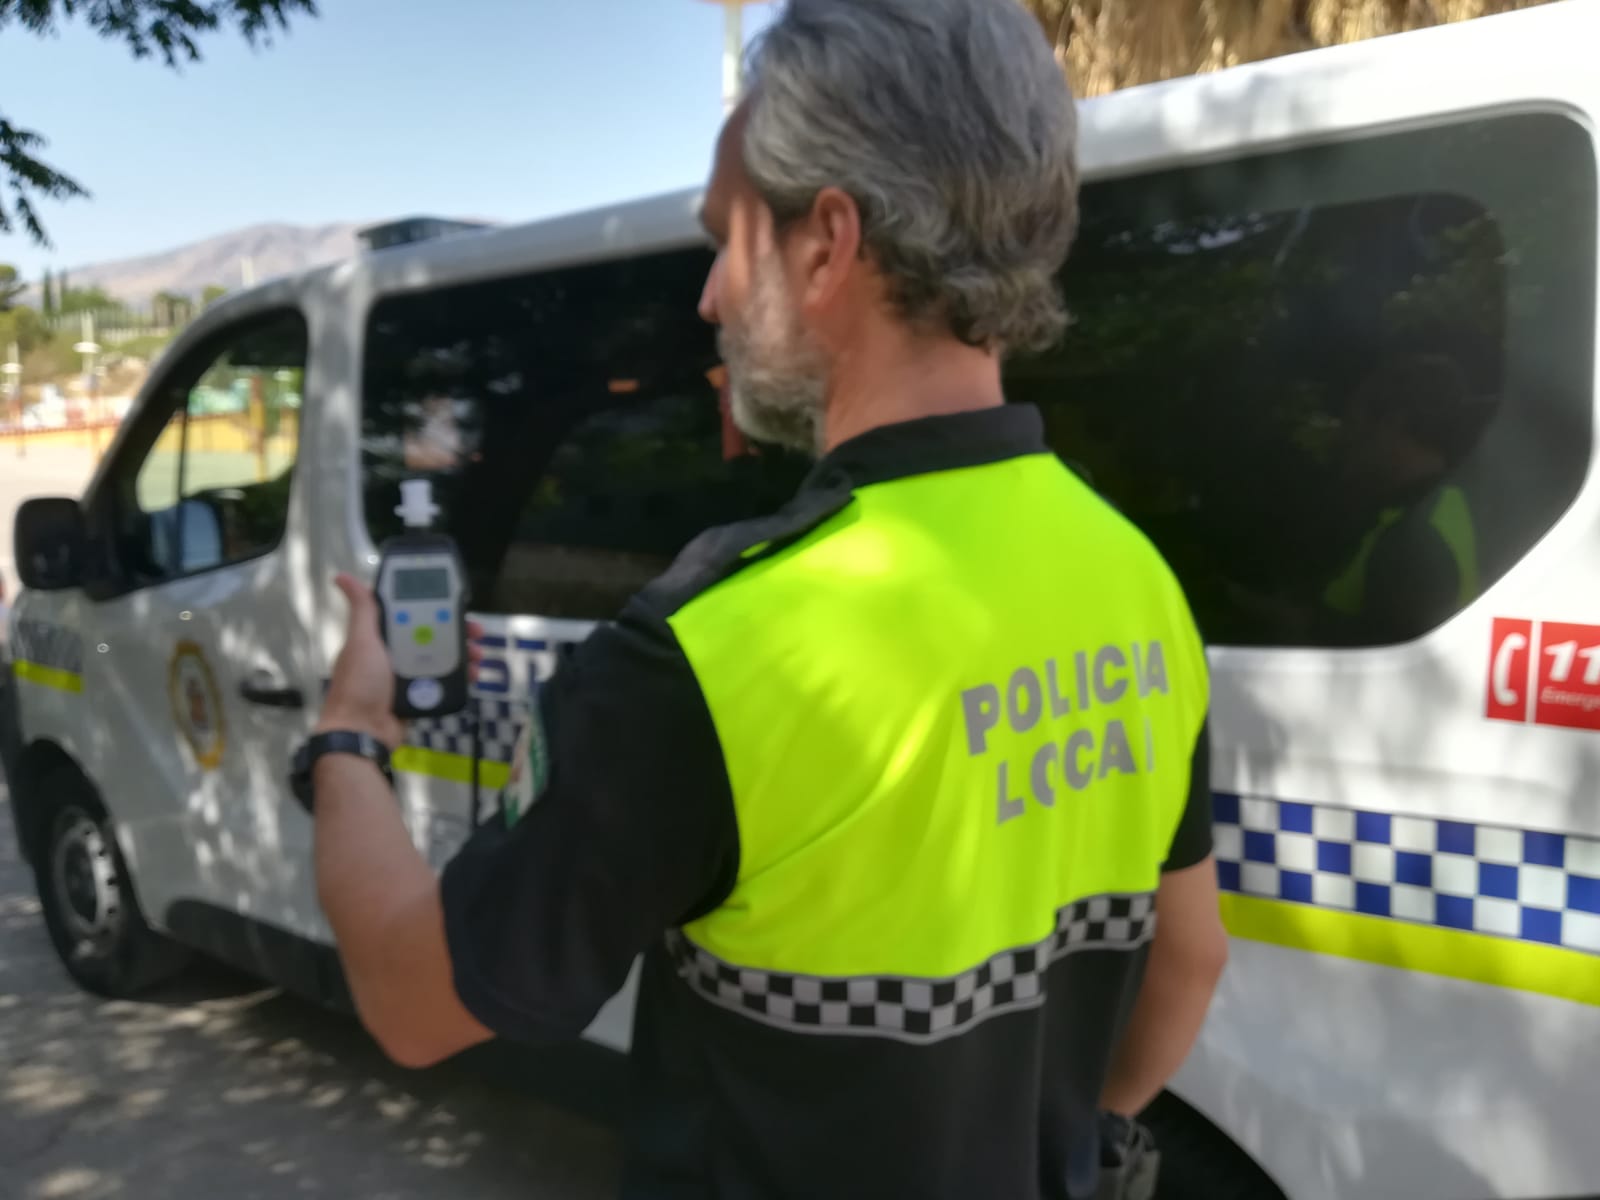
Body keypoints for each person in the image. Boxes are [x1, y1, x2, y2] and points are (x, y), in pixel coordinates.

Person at [298, 2, 1229, 1197]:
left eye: (723, 241)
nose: (707, 299)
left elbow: (414, 998)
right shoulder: (1131, 573)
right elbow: (1186, 960)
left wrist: (345, 735)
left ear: (827, 243)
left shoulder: (714, 650)